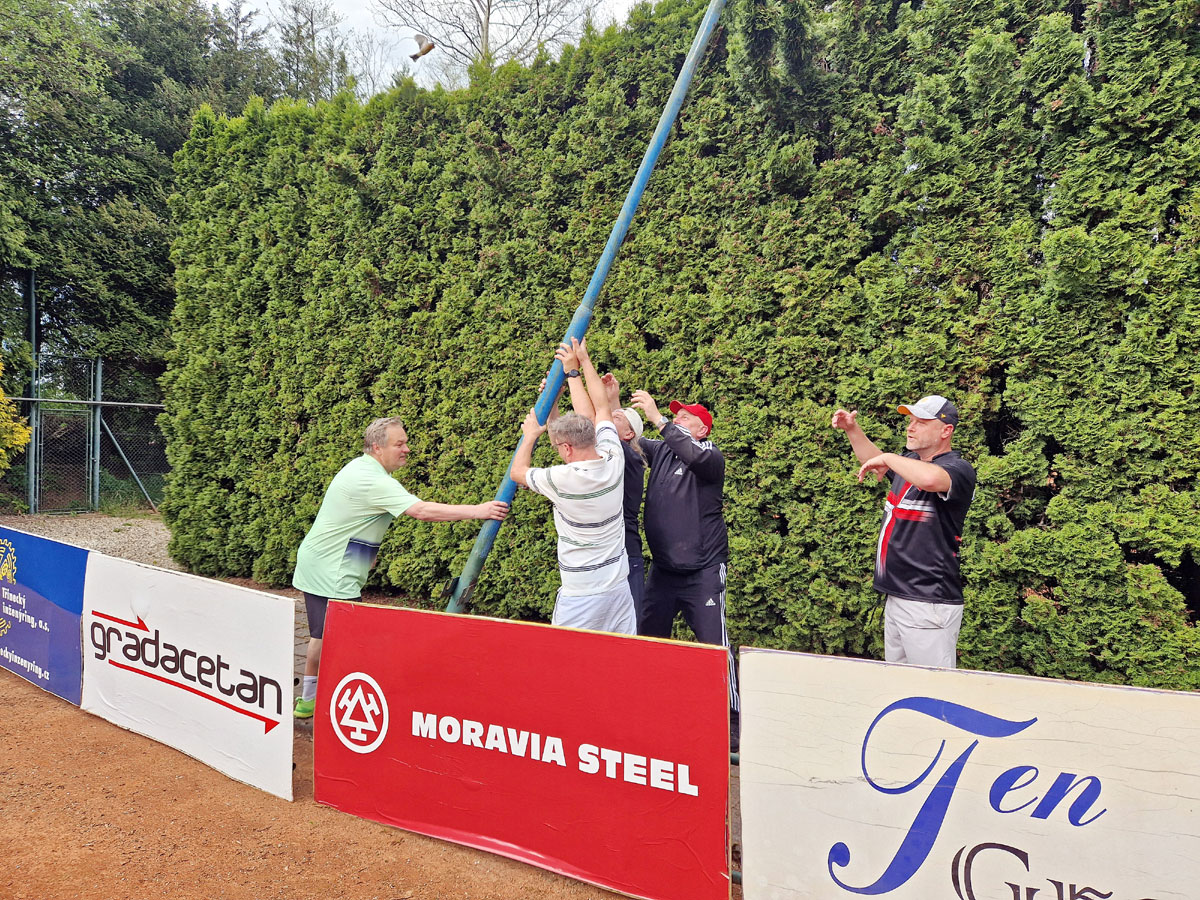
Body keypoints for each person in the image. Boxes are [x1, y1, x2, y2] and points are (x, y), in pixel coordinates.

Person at [291, 416, 509, 718]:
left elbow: (351, 518)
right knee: (351, 643)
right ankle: (354, 707)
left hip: (317, 562)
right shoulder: (374, 480)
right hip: (333, 571)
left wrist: (367, 554)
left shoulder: (360, 467)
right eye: (400, 444)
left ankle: (309, 700)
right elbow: (421, 510)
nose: (407, 449)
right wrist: (479, 510)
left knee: (322, 634)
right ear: (377, 448)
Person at [629, 388, 739, 750]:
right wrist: (611, 401)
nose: (677, 419)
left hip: (703, 571)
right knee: (648, 639)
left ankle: (732, 721)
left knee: (714, 647)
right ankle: (648, 709)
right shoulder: (662, 450)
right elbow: (625, 436)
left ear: (702, 430)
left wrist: (659, 419)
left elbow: (690, 452)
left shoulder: (709, 455)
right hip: (663, 570)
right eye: (675, 416)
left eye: (685, 417)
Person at [831, 395, 976, 668]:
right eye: (910, 421)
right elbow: (874, 460)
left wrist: (888, 458)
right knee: (900, 684)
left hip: (928, 601)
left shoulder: (958, 469)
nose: (910, 427)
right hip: (898, 595)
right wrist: (852, 429)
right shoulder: (908, 462)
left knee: (931, 688)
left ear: (946, 430)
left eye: (921, 422)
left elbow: (930, 479)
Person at [511, 338, 636, 635]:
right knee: (621, 656)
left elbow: (517, 472)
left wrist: (531, 435)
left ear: (566, 448)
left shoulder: (563, 479)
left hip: (581, 594)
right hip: (618, 588)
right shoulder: (612, 457)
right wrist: (580, 366)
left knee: (563, 658)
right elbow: (600, 409)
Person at [601, 373, 647, 609]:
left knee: (632, 623)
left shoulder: (630, 457)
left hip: (627, 553)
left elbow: (602, 422)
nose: (609, 418)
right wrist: (613, 400)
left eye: (616, 417)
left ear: (629, 435)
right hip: (609, 553)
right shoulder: (608, 455)